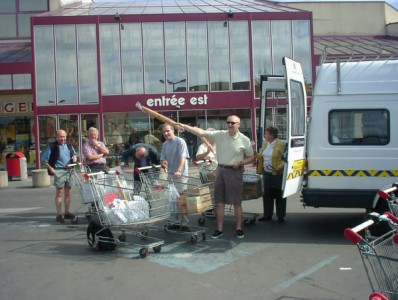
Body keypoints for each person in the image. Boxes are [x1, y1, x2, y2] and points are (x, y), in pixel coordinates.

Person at [178, 115, 254, 239]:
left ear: (238, 124)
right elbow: (201, 132)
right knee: (219, 202)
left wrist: (240, 163)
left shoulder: (244, 139)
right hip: (220, 170)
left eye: (233, 123)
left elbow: (251, 157)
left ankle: (239, 228)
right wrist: (184, 126)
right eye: (228, 122)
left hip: (234, 172)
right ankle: (219, 229)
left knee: (236, 202)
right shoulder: (220, 134)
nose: (230, 125)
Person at [41, 129, 78, 223]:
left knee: (68, 192)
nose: (62, 138)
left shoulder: (69, 145)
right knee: (59, 192)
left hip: (70, 170)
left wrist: (75, 158)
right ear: (57, 137)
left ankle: (67, 212)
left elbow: (75, 155)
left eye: (64, 136)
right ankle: (59, 214)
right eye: (60, 137)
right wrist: (51, 168)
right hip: (59, 171)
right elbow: (44, 159)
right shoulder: (52, 146)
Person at [256, 126, 286, 223]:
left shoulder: (281, 143)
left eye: (266, 133)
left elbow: (285, 159)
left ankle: (280, 216)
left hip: (277, 173)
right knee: (267, 195)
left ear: (272, 135)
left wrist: (279, 167)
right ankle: (267, 215)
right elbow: (261, 156)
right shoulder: (266, 144)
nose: (265, 135)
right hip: (266, 173)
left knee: (279, 194)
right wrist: (253, 152)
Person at [160, 123, 189, 191]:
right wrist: (164, 162)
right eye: (164, 132)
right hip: (170, 174)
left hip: (180, 175)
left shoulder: (180, 141)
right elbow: (163, 158)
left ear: (173, 131)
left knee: (182, 197)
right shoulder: (165, 144)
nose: (166, 133)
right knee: (173, 197)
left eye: (168, 131)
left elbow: (183, 157)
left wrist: (179, 170)